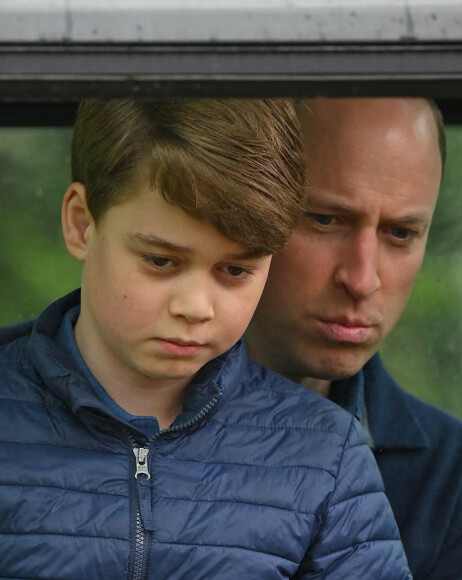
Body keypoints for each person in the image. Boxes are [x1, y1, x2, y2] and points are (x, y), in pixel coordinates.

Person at [0, 99, 413, 579]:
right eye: (160, 260)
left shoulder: (325, 454)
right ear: (81, 224)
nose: (195, 307)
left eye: (235, 270)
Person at [245, 97, 462, 580]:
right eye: (325, 219)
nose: (362, 278)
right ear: (250, 209)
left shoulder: (454, 480)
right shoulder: (117, 423)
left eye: (401, 233)